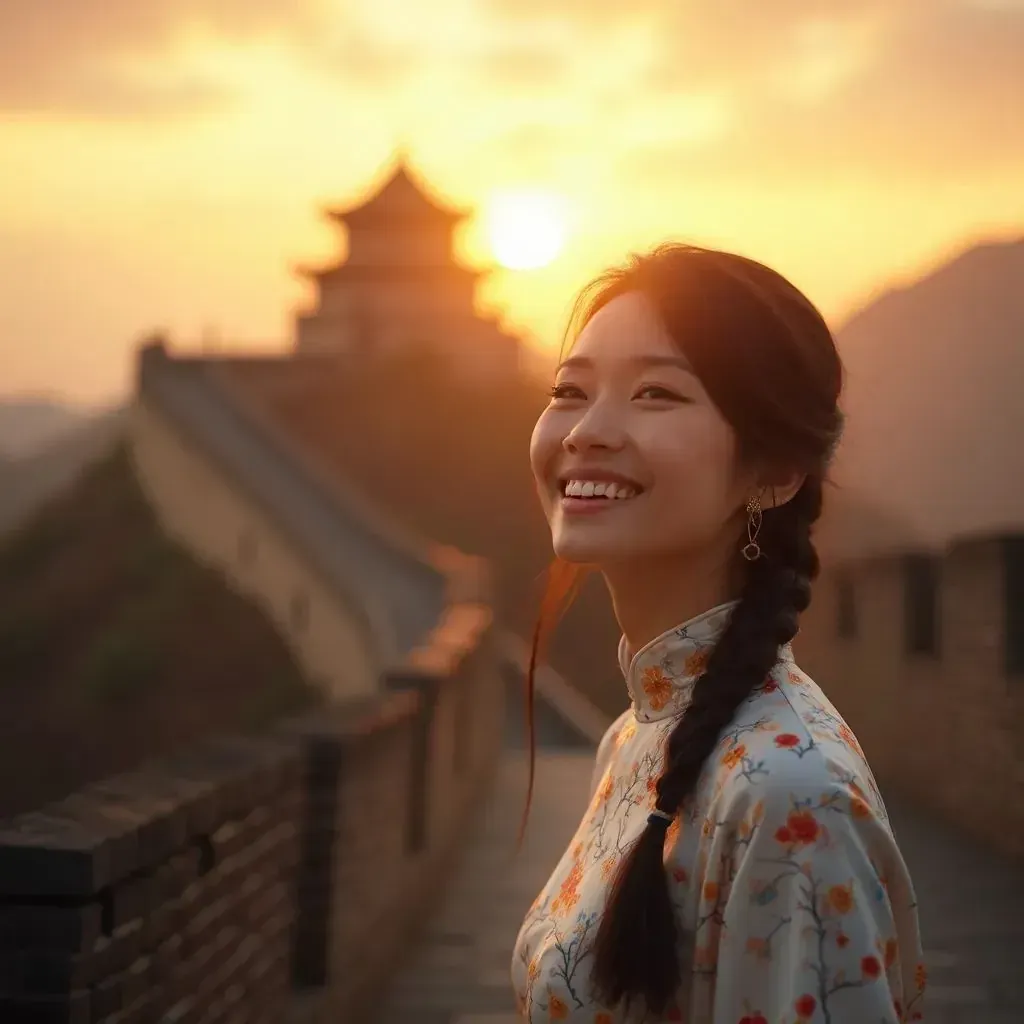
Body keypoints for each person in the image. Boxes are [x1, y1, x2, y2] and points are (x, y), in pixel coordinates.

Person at [511, 244, 926, 1023]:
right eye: (569, 389)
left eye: (656, 394)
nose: (586, 431)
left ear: (773, 470)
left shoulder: (791, 799)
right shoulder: (640, 734)